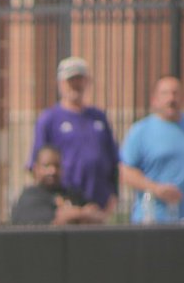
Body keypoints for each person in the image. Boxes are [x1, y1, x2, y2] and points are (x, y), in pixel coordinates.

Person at [120, 76, 184, 224]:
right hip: (153, 220)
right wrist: (156, 188)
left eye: (176, 93)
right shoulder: (141, 131)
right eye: (165, 93)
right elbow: (125, 171)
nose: (171, 98)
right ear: (154, 99)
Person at [27, 57, 119, 216]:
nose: (75, 85)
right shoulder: (49, 119)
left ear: (87, 82)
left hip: (99, 202)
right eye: (71, 80)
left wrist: (113, 195)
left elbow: (113, 160)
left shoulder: (98, 117)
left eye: (79, 79)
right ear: (60, 83)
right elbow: (37, 164)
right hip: (67, 203)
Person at [11, 145, 106, 225]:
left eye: (57, 165)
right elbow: (56, 220)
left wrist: (76, 214)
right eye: (46, 166)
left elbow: (98, 215)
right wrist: (81, 213)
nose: (53, 171)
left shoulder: (72, 194)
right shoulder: (30, 196)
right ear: (36, 168)